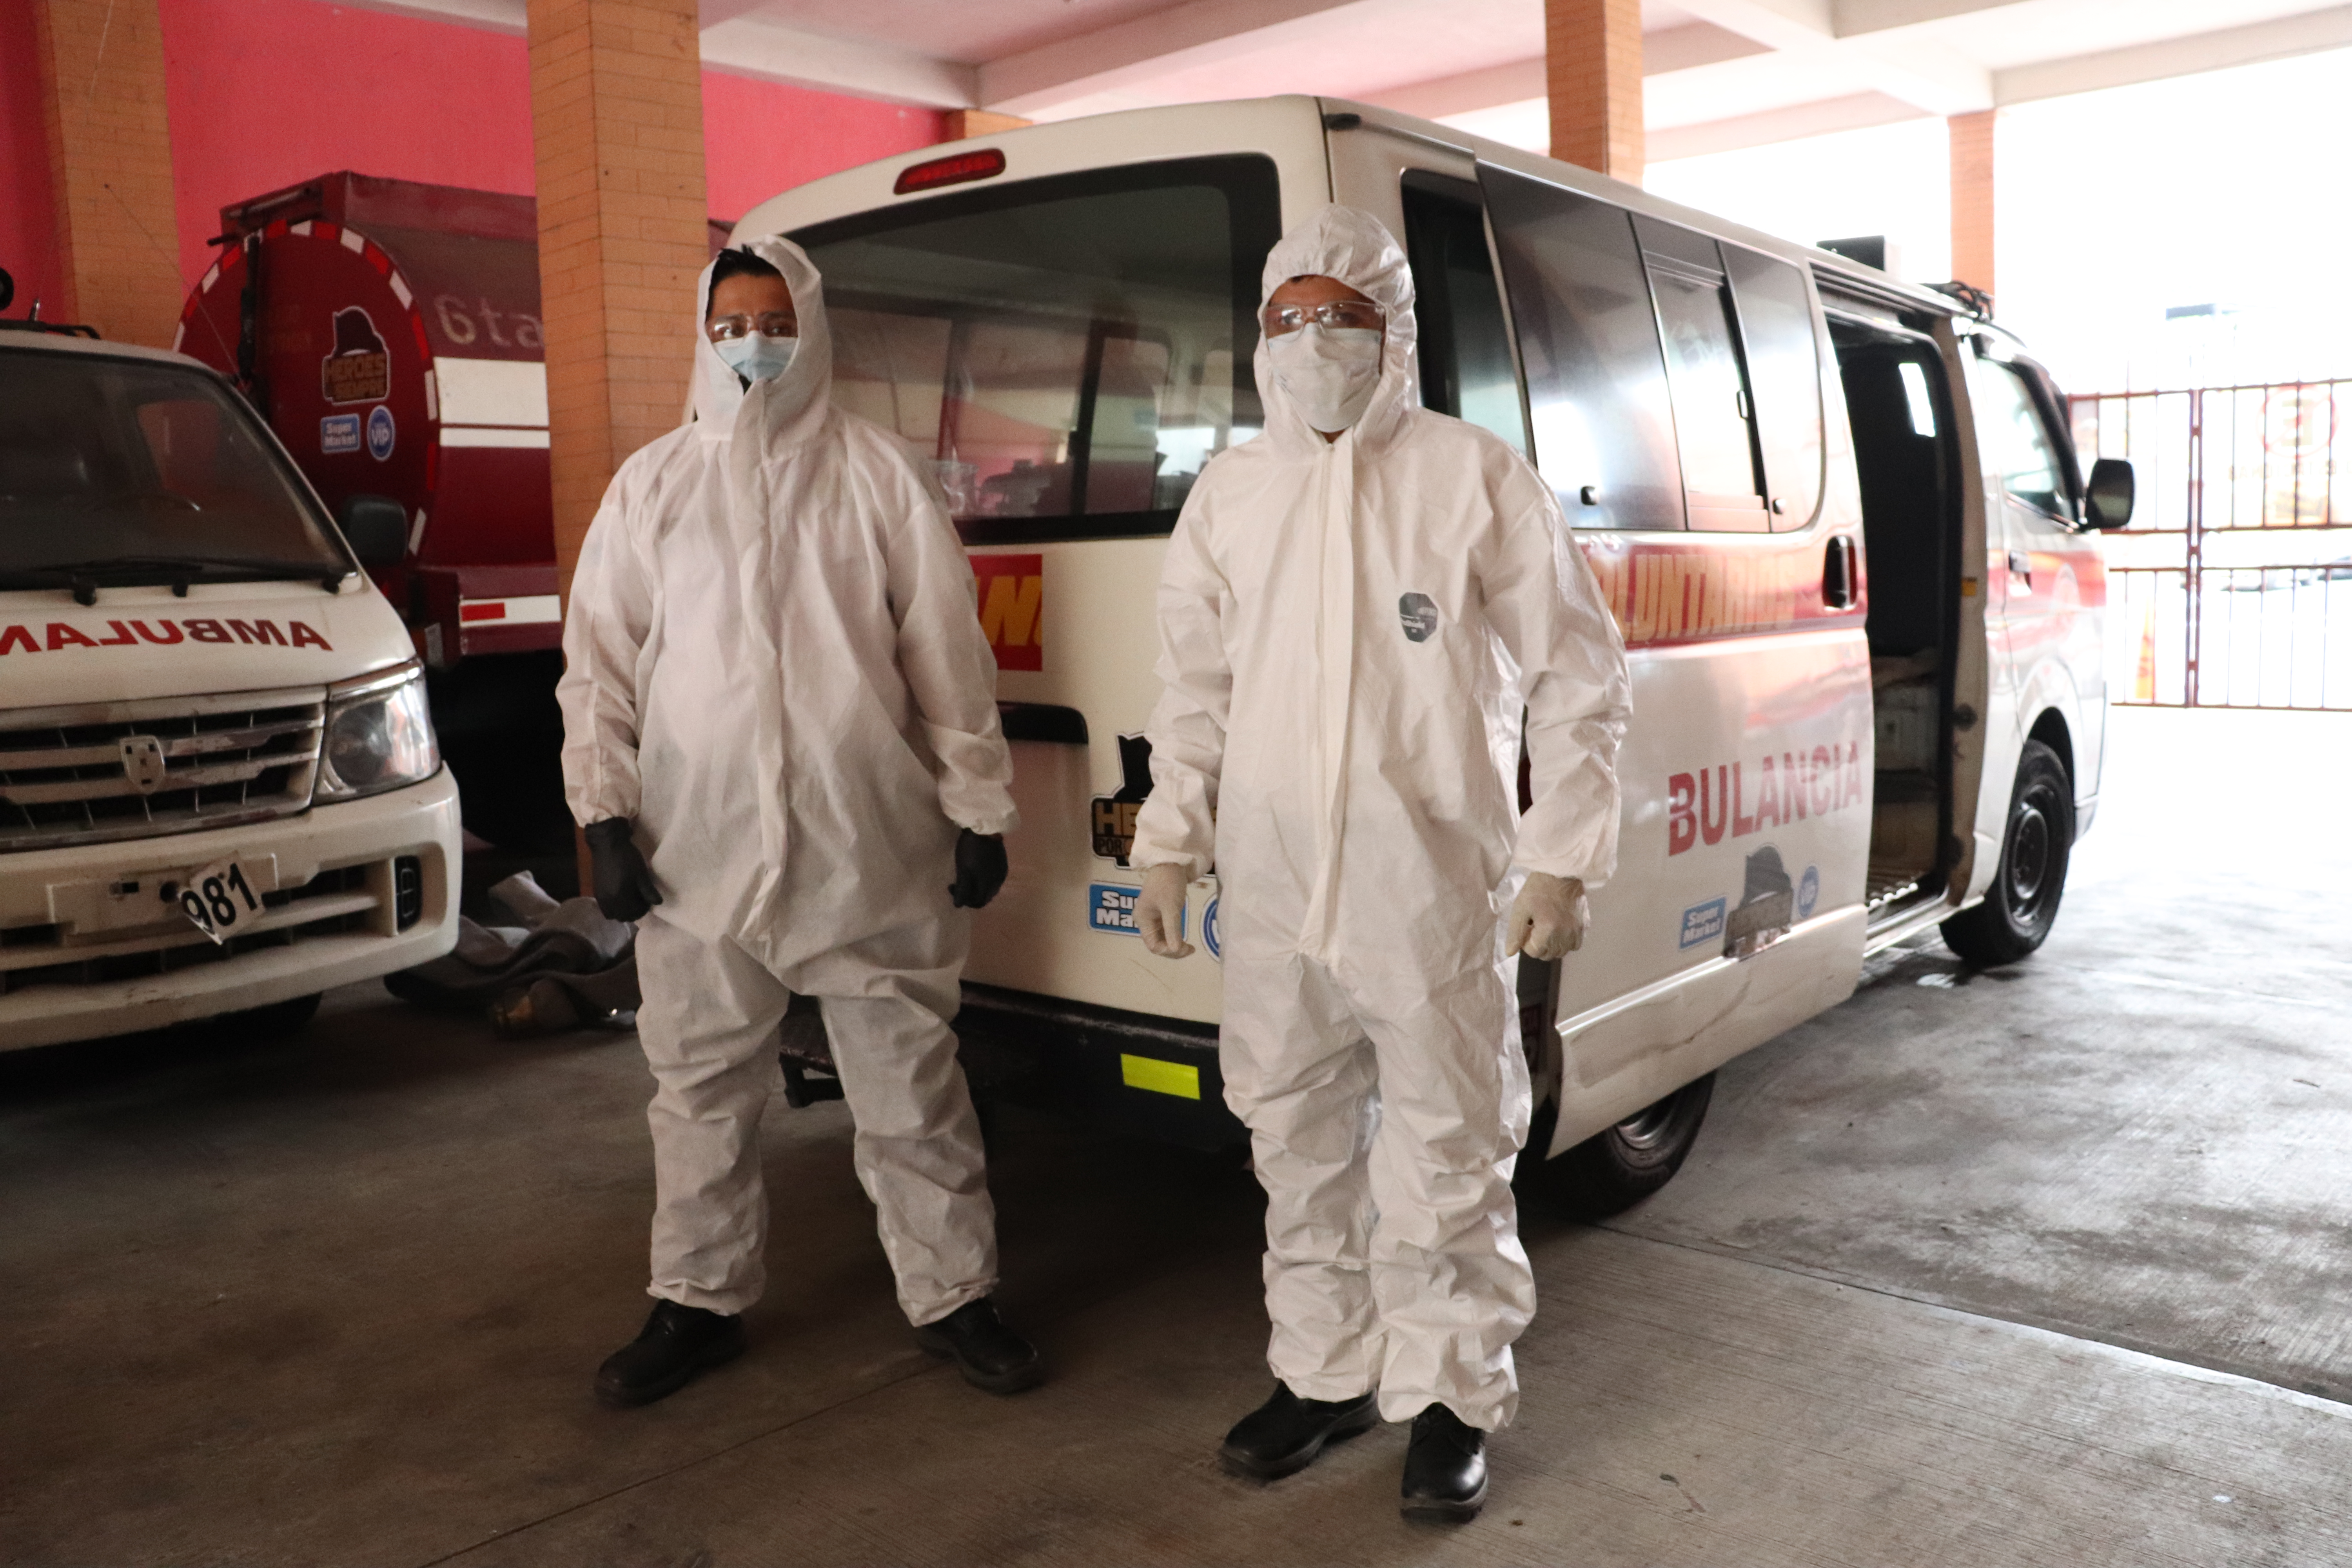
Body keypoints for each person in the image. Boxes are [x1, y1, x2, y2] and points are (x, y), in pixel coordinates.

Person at [1126, 206, 1630, 1523]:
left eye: (1340, 316)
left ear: (1391, 329)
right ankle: (1327, 1372)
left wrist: (1563, 856)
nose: (1314, 342)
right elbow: (1192, 692)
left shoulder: (1471, 477)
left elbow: (1579, 672)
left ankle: (1453, 1397)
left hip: (1430, 886)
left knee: (1447, 1152)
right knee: (1295, 1140)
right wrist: (1173, 846)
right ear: (1258, 341)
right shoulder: (1233, 494)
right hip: (1277, 884)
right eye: (1288, 319)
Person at [560, 239, 1042, 1408]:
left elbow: (947, 655)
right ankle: (695, 1298)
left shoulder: (877, 479)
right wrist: (605, 817)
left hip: (866, 842)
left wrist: (978, 804)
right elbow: (601, 667)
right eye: (729, 323)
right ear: (702, 333)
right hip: (699, 848)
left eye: (772, 319)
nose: (751, 342)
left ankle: (956, 1294)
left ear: (810, 329)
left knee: (911, 1087)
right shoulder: (652, 486)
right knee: (699, 1091)